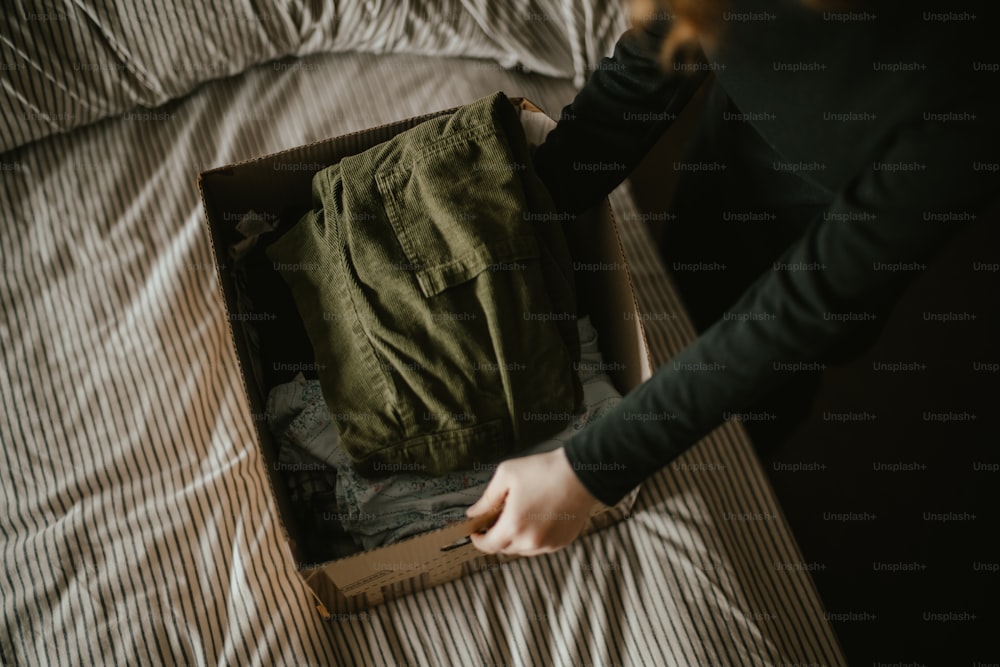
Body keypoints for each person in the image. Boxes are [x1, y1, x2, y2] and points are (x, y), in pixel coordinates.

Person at [467, 0, 995, 555]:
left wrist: (592, 469)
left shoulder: (970, 89)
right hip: (734, 153)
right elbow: (656, 60)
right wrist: (523, 229)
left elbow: (808, 304)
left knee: (757, 410)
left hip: (830, 249)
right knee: (690, 278)